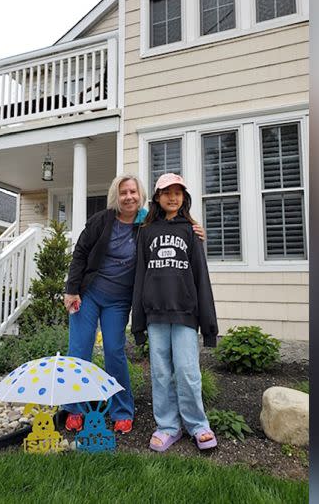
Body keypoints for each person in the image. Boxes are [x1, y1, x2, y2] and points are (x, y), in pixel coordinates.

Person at [62, 174, 205, 435]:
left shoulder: (147, 223)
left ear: (141, 196)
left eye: (133, 192)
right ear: (116, 196)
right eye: (123, 192)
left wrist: (195, 228)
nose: (128, 197)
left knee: (114, 352)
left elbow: (174, 225)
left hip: (119, 300)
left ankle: (122, 410)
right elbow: (80, 252)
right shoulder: (101, 220)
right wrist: (72, 290)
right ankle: (74, 409)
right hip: (89, 294)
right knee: (78, 351)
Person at [131, 173, 219, 451]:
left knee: (187, 371)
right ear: (157, 197)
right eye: (166, 192)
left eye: (178, 192)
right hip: (155, 314)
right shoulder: (146, 232)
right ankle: (168, 426)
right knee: (159, 372)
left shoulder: (192, 232)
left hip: (185, 314)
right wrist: (138, 322)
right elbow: (139, 276)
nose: (172, 197)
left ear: (184, 197)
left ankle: (198, 425)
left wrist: (208, 325)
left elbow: (201, 277)